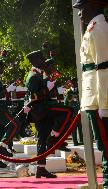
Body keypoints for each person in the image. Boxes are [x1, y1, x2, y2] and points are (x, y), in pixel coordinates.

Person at [73, 1, 108, 187]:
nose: (80, 14)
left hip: (100, 99)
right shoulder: (92, 29)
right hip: (93, 98)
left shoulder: (100, 28)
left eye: (82, 9)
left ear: (94, 6)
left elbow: (104, 70)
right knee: (103, 146)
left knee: (106, 145)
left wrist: (104, 104)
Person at [24, 50, 72, 178]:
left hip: (43, 109)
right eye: (41, 59)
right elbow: (33, 96)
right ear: (34, 61)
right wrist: (48, 86)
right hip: (40, 110)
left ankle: (41, 168)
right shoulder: (33, 76)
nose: (43, 61)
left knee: (42, 139)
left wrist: (50, 85)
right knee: (69, 111)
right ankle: (55, 138)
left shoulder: (39, 75)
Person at [64, 79, 83, 146]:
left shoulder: (79, 91)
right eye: (73, 83)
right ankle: (75, 141)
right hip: (72, 113)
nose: (75, 84)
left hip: (80, 111)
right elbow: (65, 104)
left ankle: (81, 140)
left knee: (80, 127)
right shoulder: (68, 92)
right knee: (73, 128)